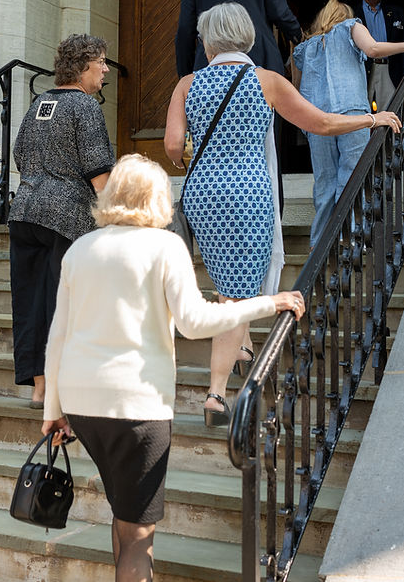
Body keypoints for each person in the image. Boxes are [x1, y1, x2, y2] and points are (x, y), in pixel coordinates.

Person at [41, 154, 305, 582]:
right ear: (158, 197)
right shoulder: (165, 246)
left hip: (82, 402)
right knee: (140, 533)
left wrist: (53, 409)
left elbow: (58, 337)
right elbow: (195, 322)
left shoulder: (80, 250)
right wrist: (268, 303)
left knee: (125, 514)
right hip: (137, 406)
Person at [162, 3, 402, 425]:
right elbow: (322, 123)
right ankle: (216, 394)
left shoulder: (187, 84)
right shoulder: (265, 81)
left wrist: (195, 158)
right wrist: (371, 118)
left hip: (202, 194)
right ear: (248, 37)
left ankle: (242, 347)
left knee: (229, 283)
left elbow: (171, 147)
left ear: (208, 41)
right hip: (248, 193)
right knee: (237, 294)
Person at [8, 33, 115, 406]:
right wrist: (120, 219)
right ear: (83, 66)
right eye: (101, 62)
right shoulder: (85, 107)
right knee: (62, 303)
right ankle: (57, 387)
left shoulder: (40, 103)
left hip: (25, 212)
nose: (105, 70)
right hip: (66, 218)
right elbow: (99, 171)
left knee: (30, 303)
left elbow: (20, 154)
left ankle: (40, 386)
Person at [293, 0, 404, 248]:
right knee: (352, 179)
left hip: (316, 120)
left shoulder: (305, 47)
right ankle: (348, 242)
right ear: (343, 14)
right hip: (352, 114)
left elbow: (296, 90)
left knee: (325, 185)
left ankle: (320, 246)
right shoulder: (351, 25)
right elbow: (373, 49)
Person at [174, 0, 302, 207]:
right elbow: (279, 11)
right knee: (267, 144)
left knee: (210, 142)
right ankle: (269, 211)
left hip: (207, 68)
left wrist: (187, 76)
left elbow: (185, 31)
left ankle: (212, 210)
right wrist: (300, 36)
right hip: (259, 66)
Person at [354, 0, 404, 110]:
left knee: (390, 112)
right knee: (359, 113)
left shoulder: (397, 13)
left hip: (389, 69)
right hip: (362, 69)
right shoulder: (351, 13)